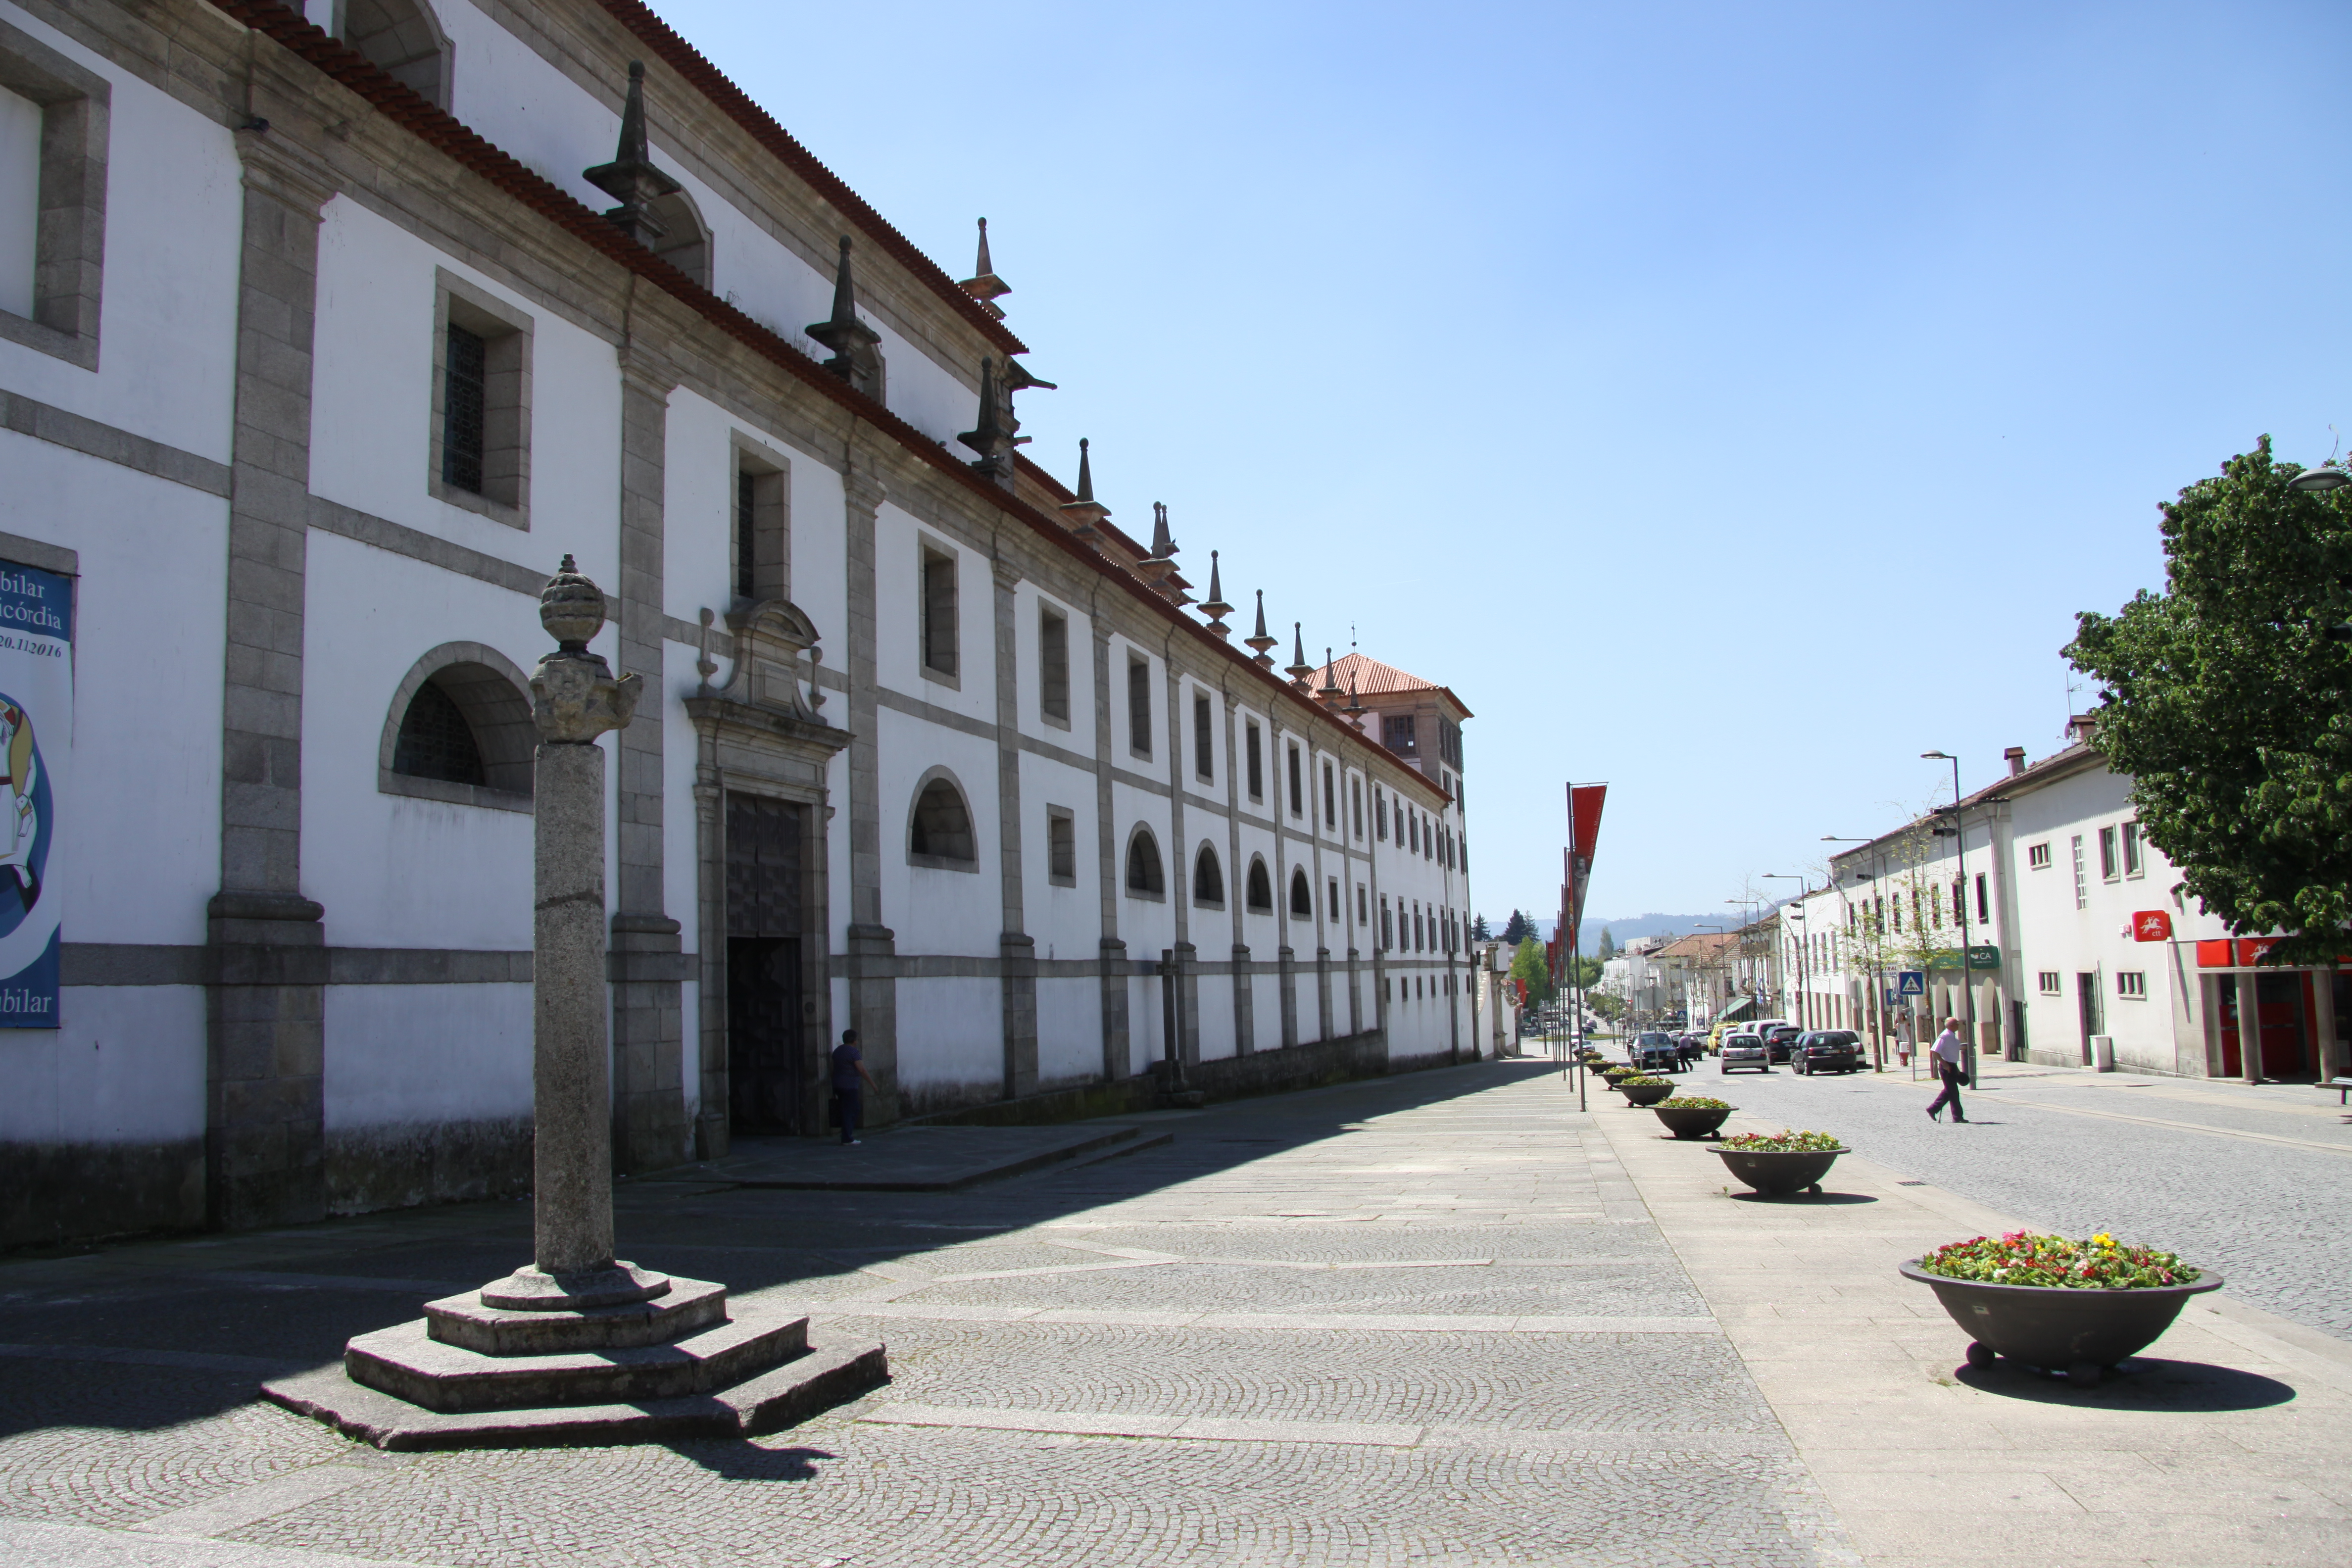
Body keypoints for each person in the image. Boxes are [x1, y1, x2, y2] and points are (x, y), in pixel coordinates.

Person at [830, 1028, 877, 1146]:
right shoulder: (854, 1052)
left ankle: (846, 1134)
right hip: (850, 1086)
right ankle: (847, 1137)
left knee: (846, 1109)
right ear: (854, 1040)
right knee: (852, 1110)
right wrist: (873, 1085)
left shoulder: (837, 1051)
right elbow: (861, 1069)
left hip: (837, 1084)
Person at [1925, 1017, 1968, 1124]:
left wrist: (1956, 1068)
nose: (1959, 1025)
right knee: (1953, 1092)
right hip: (1947, 1067)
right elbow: (1935, 1051)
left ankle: (1933, 1109)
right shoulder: (1944, 1036)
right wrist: (1944, 1064)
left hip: (1952, 1066)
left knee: (1950, 1091)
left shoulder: (1952, 1036)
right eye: (1956, 1024)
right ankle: (1957, 1116)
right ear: (1951, 1025)